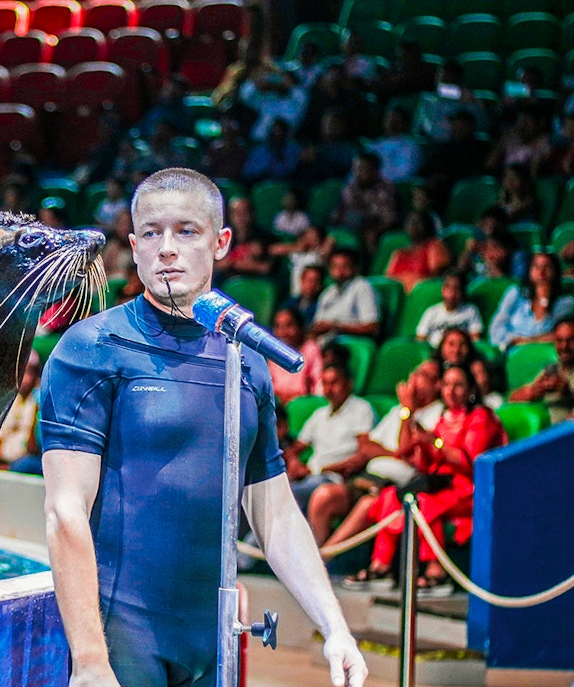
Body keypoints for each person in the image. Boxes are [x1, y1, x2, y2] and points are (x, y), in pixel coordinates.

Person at [39, 168, 368, 687]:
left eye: (186, 231)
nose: (167, 248)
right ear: (134, 247)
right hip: (120, 640)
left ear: (221, 242)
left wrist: (335, 627)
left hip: (214, 640)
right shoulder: (92, 348)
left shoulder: (246, 359)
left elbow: (275, 511)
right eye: (151, 233)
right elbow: (65, 512)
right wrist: (89, 661)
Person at [337, 364, 506, 596]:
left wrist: (434, 442)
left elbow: (470, 461)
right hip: (439, 485)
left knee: (423, 502)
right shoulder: (443, 419)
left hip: (468, 488)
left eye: (458, 385)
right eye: (447, 384)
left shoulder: (481, 417)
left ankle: (437, 572)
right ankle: (380, 568)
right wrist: (416, 431)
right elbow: (412, 457)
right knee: (389, 496)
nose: (451, 390)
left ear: (470, 390)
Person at [307, 360, 444, 545]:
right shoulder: (397, 410)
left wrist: (408, 411)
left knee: (367, 504)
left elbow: (407, 450)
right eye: (415, 372)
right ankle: (318, 553)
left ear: (437, 384)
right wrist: (396, 454)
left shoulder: (438, 414)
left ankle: (323, 557)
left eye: (423, 375)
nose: (413, 379)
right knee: (323, 496)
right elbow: (367, 448)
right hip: (367, 477)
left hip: (396, 488)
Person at [283, 364, 376, 512]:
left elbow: (362, 456)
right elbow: (295, 448)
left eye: (334, 383)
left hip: (334, 478)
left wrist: (315, 470)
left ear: (349, 384)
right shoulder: (319, 414)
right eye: (325, 383)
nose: (329, 389)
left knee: (287, 495)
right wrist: (294, 462)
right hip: (309, 476)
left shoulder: (361, 409)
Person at [489, 252, 574, 350]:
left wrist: (525, 342)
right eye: (536, 266)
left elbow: (558, 335)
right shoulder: (515, 293)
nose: (541, 272)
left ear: (555, 271)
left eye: (547, 267)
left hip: (544, 352)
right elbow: (496, 330)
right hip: (512, 350)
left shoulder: (566, 302)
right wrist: (512, 340)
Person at [0, 351, 42, 475]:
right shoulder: (8, 400)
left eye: (29, 372)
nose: (25, 378)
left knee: (27, 465)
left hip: (24, 461)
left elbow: (33, 446)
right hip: (3, 460)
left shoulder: (38, 401)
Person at [311, 249, 380, 343]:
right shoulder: (327, 293)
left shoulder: (362, 287)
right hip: (324, 343)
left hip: (350, 343)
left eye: (344, 266)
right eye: (335, 266)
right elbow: (317, 324)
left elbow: (372, 327)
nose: (339, 271)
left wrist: (336, 327)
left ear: (355, 268)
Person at [268, 306, 323, 406]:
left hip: (301, 405)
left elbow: (318, 388)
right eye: (278, 326)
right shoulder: (275, 351)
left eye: (289, 325)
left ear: (300, 327)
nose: (283, 332)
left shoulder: (311, 349)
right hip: (277, 405)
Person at [386, 212, 451, 293]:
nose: (414, 225)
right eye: (411, 222)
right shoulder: (399, 253)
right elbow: (388, 280)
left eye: (418, 222)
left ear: (428, 225)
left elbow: (438, 276)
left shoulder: (434, 246)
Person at [415, 272, 483, 346]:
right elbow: (421, 338)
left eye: (457, 289)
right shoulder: (432, 312)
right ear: (443, 290)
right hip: (435, 349)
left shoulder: (470, 311)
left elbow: (475, 338)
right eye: (449, 288)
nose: (452, 293)